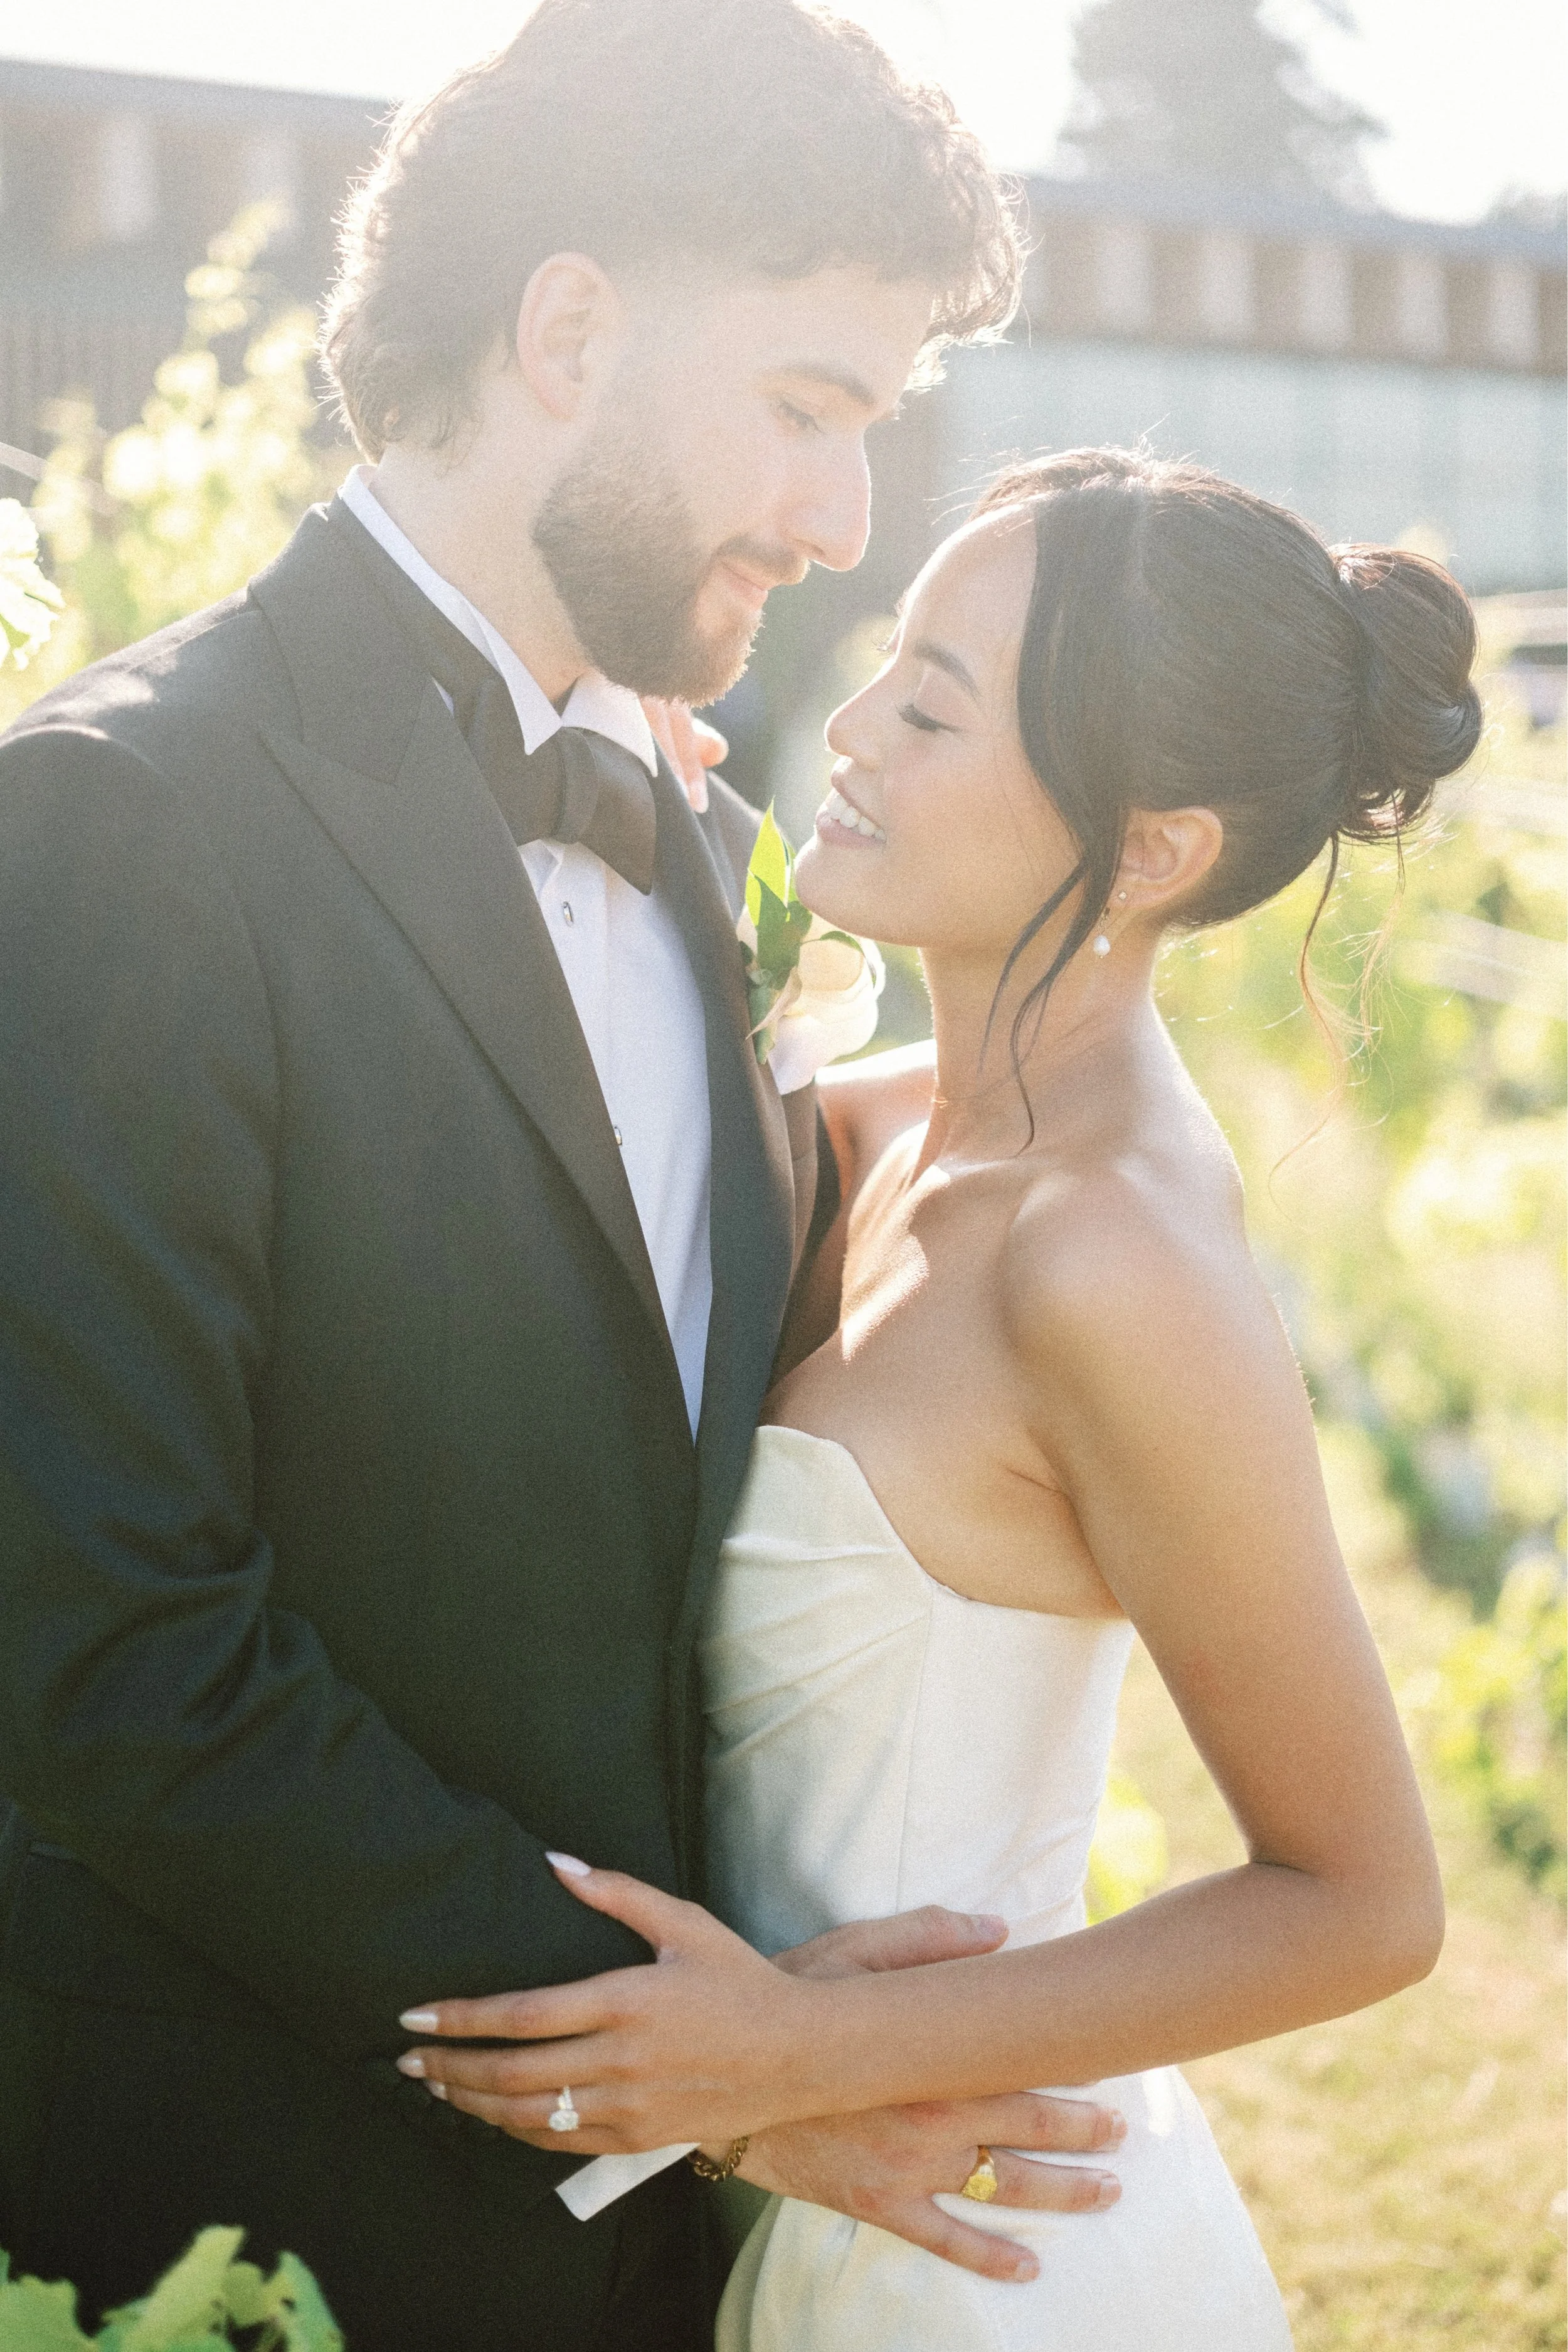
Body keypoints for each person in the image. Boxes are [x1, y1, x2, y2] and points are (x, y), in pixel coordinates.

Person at [0, 9, 1128, 2347]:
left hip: (672, 2261)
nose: (841, 524)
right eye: (811, 407)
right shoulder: (109, 824)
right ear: (568, 326)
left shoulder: (709, 837)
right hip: (255, 2217)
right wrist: (705, 2073)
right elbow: (107, 1650)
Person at [395, 448, 1480, 2348]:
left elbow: (1360, 1897)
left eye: (937, 703)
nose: (857, 730)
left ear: (1149, 848)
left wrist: (796, 2052)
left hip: (969, 2251)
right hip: (765, 2170)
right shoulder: (865, 1127)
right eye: (888, 662)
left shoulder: (1107, 1257)